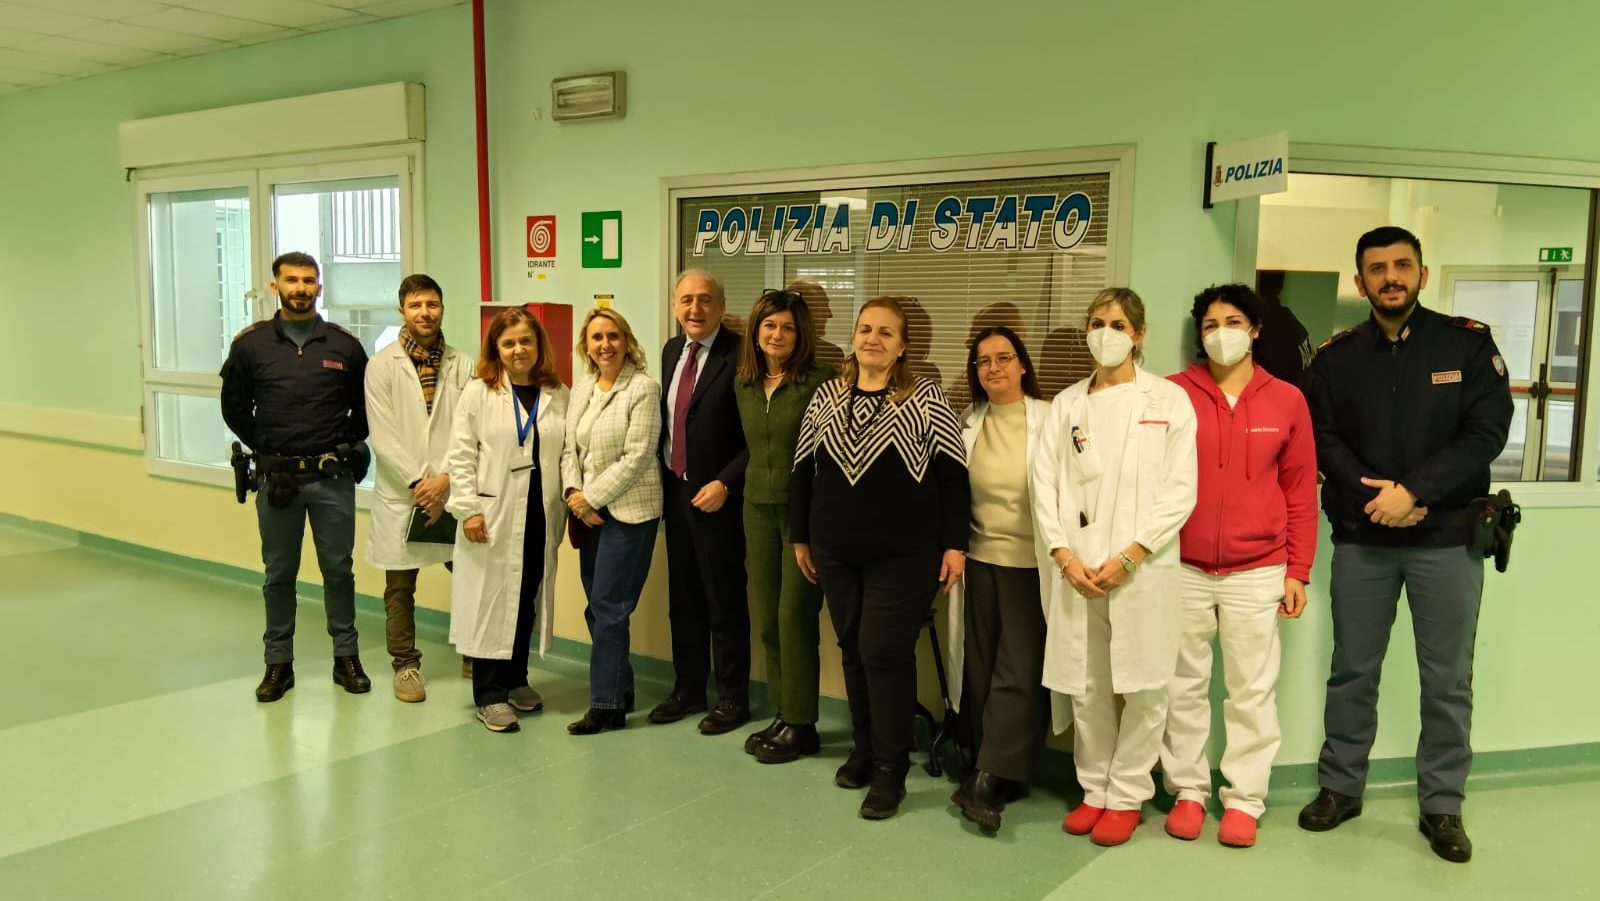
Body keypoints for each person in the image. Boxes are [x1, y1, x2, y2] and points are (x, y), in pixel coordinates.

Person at [1297, 226, 1512, 863]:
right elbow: (1323, 438)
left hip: (1446, 540)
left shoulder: (1466, 345)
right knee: (1352, 671)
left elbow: (1486, 432)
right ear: (1359, 280)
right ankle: (1340, 788)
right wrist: (1378, 497)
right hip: (1363, 538)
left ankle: (1442, 804)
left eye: (1401, 265)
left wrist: (1415, 491)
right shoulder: (1335, 358)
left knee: (1446, 679)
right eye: (1377, 268)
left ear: (1421, 272)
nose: (1390, 277)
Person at [792, 297, 969, 820]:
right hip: (835, 550)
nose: (873, 339)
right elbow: (802, 472)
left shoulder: (927, 398)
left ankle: (892, 768)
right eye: (866, 329)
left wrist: (955, 544)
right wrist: (800, 538)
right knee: (852, 648)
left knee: (884, 653)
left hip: (905, 555)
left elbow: (954, 477)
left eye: (886, 332)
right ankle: (865, 749)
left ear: (903, 346)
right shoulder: (827, 395)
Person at [1033, 287, 1197, 847]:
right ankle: (1094, 790)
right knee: (1087, 685)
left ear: (1139, 334)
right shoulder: (1066, 405)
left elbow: (1180, 491)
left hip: (1140, 569)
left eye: (1119, 324)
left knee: (1146, 687)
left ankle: (1126, 795)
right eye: (1098, 323)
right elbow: (1044, 487)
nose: (1107, 333)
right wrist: (1063, 555)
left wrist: (1131, 555)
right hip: (1078, 569)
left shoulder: (1168, 402)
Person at [1159, 284, 1318, 848]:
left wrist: (1298, 570)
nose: (1220, 333)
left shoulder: (1286, 400)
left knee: (1251, 690)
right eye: (1209, 324)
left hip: (1258, 569)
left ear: (1254, 330)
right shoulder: (1173, 395)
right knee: (1182, 686)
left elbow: (1300, 492)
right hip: (1182, 566)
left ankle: (1245, 799)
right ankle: (1187, 790)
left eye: (1231, 322)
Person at [220, 251, 371, 703]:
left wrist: (341, 442)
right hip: (278, 480)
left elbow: (366, 409)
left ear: (319, 287)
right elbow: (234, 408)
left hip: (331, 478)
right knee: (279, 575)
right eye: (291, 280)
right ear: (275, 287)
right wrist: (267, 446)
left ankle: (346, 658)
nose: (300, 288)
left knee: (338, 571)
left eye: (308, 280)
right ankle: (278, 664)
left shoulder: (343, 345)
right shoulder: (251, 345)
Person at [945, 325, 1053, 836]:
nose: (994, 368)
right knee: (980, 668)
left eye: (1004, 358)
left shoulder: (1051, 419)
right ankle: (994, 768)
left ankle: (986, 780)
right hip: (978, 560)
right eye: (984, 361)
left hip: (1033, 564)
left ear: (1023, 364)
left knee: (1020, 671)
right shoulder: (968, 421)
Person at [445, 308, 568, 733]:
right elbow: (460, 454)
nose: (519, 350)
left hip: (539, 514)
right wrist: (468, 510)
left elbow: (567, 451)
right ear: (496, 348)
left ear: (539, 345)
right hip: (491, 514)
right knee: (490, 599)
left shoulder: (556, 392)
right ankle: (489, 694)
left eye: (526, 341)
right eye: (509, 342)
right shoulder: (479, 391)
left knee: (524, 597)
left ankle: (516, 679)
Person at [733, 288, 835, 764]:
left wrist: (807, 530)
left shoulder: (820, 383)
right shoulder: (744, 383)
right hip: (756, 508)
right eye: (769, 325)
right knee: (770, 618)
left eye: (788, 327)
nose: (777, 334)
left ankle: (802, 723)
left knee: (795, 619)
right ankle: (783, 711)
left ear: (801, 335)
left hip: (802, 516)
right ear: (756, 330)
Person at [363, 274, 473, 703]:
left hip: (451, 488)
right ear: (402, 311)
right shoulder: (381, 365)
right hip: (403, 493)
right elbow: (383, 434)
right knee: (399, 588)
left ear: (442, 308)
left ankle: (473, 652)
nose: (425, 313)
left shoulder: (463, 364)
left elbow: (469, 428)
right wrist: (419, 483)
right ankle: (405, 665)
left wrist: (444, 481)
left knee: (470, 574)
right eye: (416, 305)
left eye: (432, 304)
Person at [652, 270, 752, 735]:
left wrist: (726, 483)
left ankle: (732, 697)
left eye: (705, 299)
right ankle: (688, 688)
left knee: (723, 600)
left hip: (719, 499)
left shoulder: (742, 354)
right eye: (687, 299)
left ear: (721, 306)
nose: (695, 308)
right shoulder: (672, 350)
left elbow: (758, 435)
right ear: (675, 305)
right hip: (677, 493)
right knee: (684, 598)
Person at [562, 307, 664, 735]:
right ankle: (620, 687)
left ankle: (606, 706)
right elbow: (569, 449)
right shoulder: (583, 387)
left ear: (627, 341)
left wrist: (591, 497)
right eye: (596, 337)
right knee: (599, 608)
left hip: (629, 515)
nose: (605, 345)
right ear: (586, 345)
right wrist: (574, 494)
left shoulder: (643, 388)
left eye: (613, 336)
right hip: (587, 514)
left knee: (609, 609)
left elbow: (637, 456)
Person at [788, 279, 846, 370]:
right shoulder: (776, 350)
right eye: (823, 308)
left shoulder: (831, 355)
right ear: (805, 313)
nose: (830, 314)